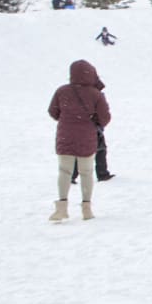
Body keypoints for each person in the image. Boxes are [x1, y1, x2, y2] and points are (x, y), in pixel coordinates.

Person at [47, 59, 111, 221]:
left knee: (64, 171)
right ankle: (86, 209)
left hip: (65, 136)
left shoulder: (62, 91)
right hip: (87, 137)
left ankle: (61, 207)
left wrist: (67, 120)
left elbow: (53, 112)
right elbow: (105, 118)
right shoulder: (95, 94)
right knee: (86, 172)